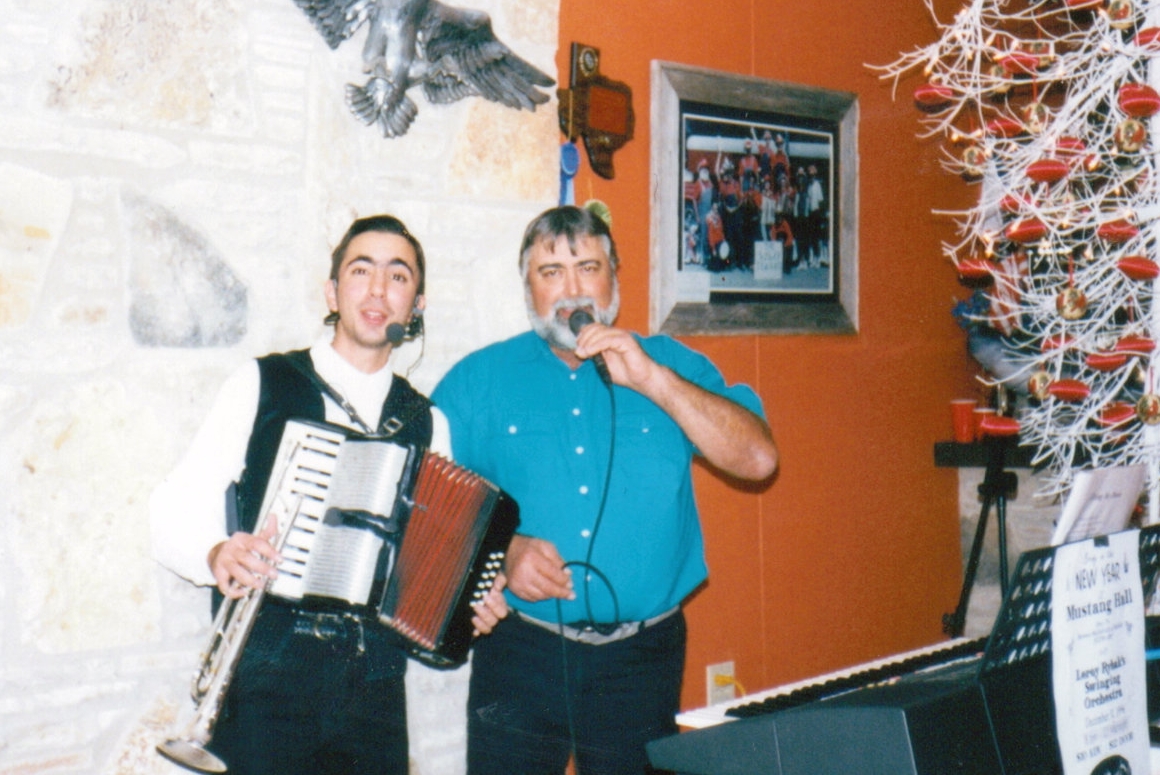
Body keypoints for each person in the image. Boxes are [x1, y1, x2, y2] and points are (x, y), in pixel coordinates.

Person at [150, 214, 507, 775]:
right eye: (360, 270)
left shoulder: (425, 422)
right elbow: (172, 507)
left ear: (417, 304)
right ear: (333, 291)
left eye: (398, 276)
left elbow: (425, 566)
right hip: (267, 674)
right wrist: (217, 553)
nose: (377, 289)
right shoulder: (263, 383)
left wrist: (467, 602)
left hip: (375, 687)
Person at [432, 204, 778, 775]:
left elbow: (759, 459)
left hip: (642, 660)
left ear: (615, 273)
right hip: (520, 654)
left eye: (587, 268)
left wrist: (652, 380)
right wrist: (496, 558)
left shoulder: (669, 363)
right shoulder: (477, 379)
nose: (571, 292)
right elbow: (421, 500)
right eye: (550, 273)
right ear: (527, 286)